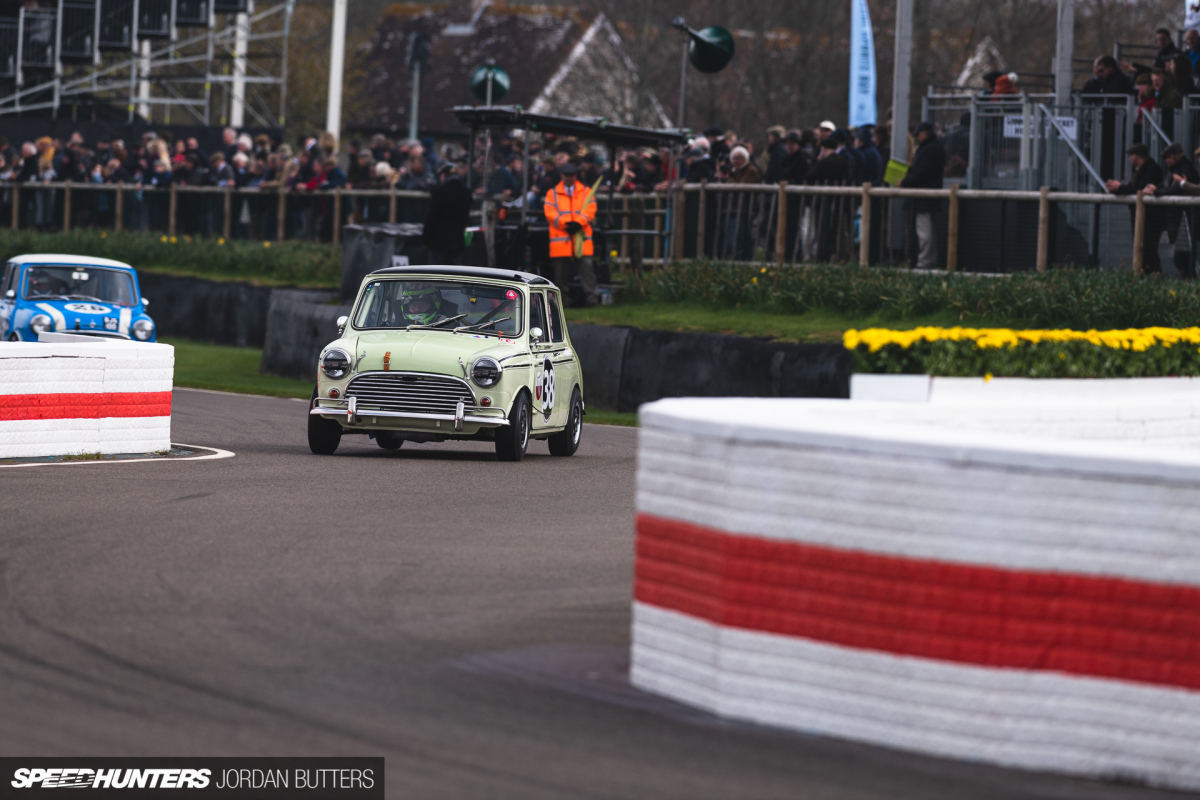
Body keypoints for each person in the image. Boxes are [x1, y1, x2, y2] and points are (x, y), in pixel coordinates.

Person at [543, 162, 599, 307]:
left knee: (587, 269)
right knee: (560, 275)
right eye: (567, 175)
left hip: (581, 239)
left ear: (576, 175)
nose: (569, 178)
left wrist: (578, 223)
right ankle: (562, 302)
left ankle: (592, 299)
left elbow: (590, 210)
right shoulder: (552, 193)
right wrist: (567, 224)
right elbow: (550, 214)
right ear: (562, 176)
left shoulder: (586, 191)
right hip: (561, 240)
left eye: (572, 175)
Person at [1106, 144, 1166, 274]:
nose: (1129, 158)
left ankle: (1149, 275)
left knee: (1147, 250)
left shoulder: (1151, 169)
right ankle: (1152, 276)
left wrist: (1120, 188)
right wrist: (1117, 189)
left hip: (1150, 219)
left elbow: (1140, 190)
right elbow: (1133, 188)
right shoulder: (1141, 169)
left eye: (1130, 155)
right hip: (1141, 217)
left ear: (1135, 156)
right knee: (1146, 250)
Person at [900, 121, 946, 269]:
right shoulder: (932, 147)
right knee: (925, 230)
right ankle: (926, 260)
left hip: (925, 196)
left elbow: (922, 173)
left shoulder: (929, 149)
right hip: (926, 195)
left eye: (919, 134)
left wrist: (904, 182)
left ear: (925, 133)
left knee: (924, 231)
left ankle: (926, 261)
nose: (917, 138)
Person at [423, 162, 473, 265]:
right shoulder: (466, 193)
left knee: (435, 276)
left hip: (438, 243)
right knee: (455, 276)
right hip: (457, 242)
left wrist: (426, 240)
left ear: (444, 175)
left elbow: (431, 218)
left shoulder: (440, 192)